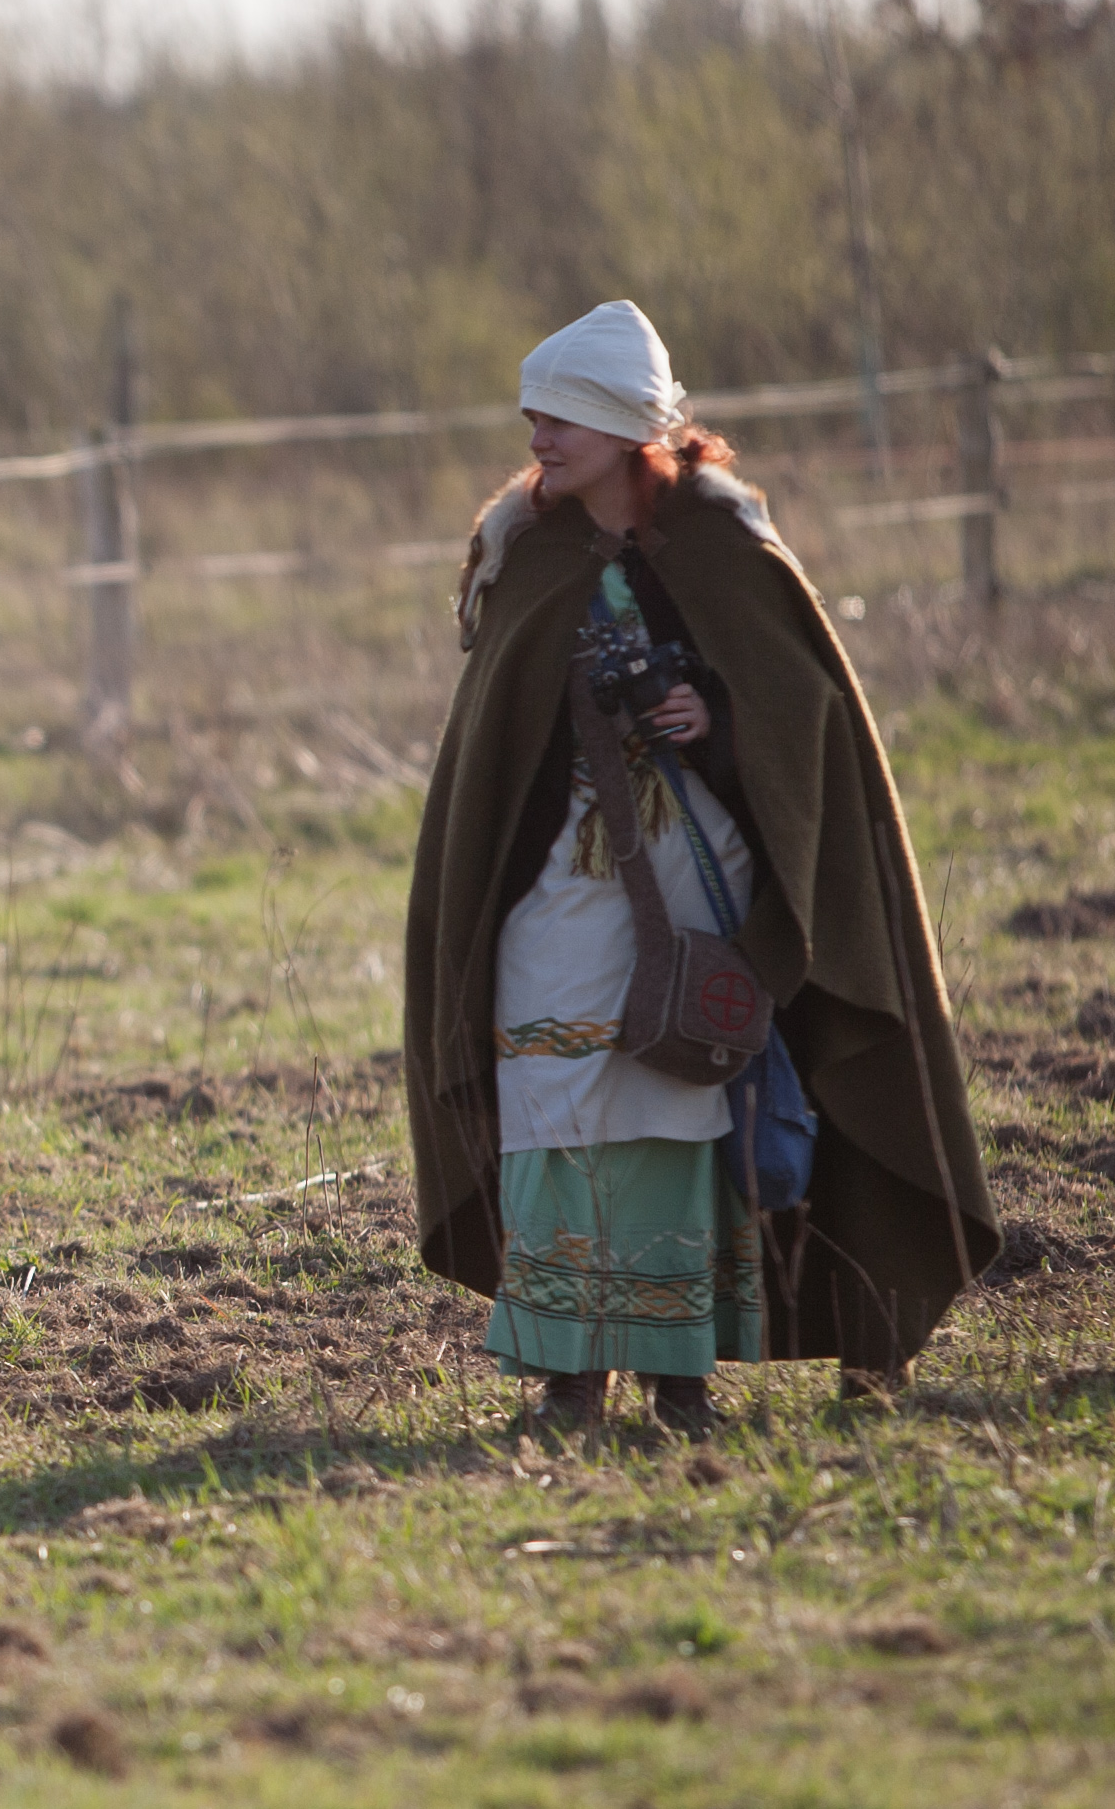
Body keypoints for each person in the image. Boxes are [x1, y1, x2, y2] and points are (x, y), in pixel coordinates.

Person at [405, 300, 998, 1431]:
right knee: (551, 1097)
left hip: (695, 879)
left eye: (562, 416)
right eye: (533, 415)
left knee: (677, 1106)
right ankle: (569, 1378)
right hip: (553, 886)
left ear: (626, 429)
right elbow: (493, 744)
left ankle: (679, 1377)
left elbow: (802, 720)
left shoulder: (727, 545)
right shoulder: (527, 550)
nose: (537, 436)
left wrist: (715, 716)